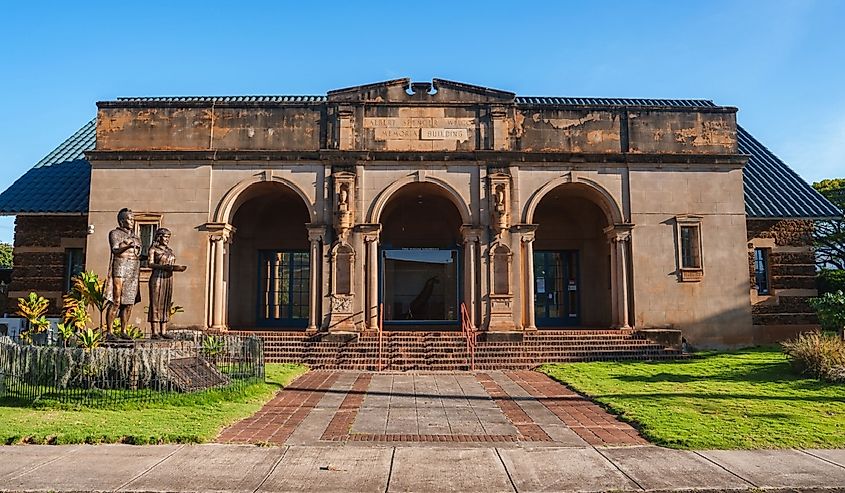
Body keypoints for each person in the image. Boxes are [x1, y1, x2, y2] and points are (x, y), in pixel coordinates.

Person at [105, 208, 142, 338]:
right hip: (119, 269)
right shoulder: (114, 233)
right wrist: (128, 246)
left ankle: (124, 330)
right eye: (129, 219)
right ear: (122, 221)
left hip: (132, 270)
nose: (132, 221)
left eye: (133, 219)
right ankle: (109, 331)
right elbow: (115, 250)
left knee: (129, 302)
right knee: (116, 301)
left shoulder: (136, 237)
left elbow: (137, 255)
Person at [147, 228, 187, 339]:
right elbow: (150, 264)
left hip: (168, 278)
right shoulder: (153, 249)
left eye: (168, 237)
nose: (167, 239)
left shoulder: (169, 250)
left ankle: (163, 331)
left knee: (165, 303)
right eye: (165, 237)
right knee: (155, 303)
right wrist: (163, 267)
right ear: (159, 237)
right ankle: (155, 331)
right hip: (157, 277)